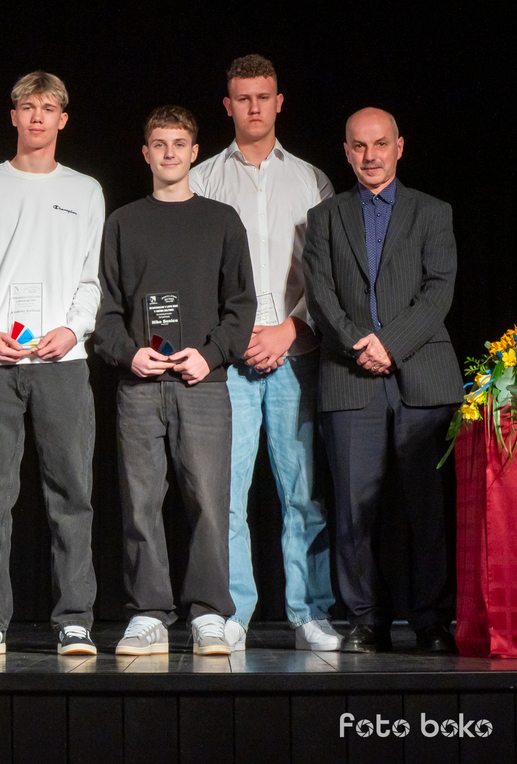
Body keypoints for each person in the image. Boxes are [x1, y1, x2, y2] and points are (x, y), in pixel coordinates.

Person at [188, 55, 340, 652]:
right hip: (230, 360)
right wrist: (238, 336)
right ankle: (231, 612)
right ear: (227, 106)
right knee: (224, 495)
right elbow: (197, 275)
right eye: (243, 98)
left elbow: (328, 276)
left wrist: (289, 330)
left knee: (302, 492)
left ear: (279, 102)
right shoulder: (203, 178)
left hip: (296, 355)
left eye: (264, 96)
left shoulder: (312, 180)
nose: (254, 107)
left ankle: (309, 613)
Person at [0, 71, 104, 656]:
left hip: (63, 359)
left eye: (48, 107)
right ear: (13, 115)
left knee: (72, 493)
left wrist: (72, 328)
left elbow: (92, 278)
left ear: (63, 118)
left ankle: (75, 619)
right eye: (27, 106)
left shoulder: (85, 189)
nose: (37, 116)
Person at [94, 105, 255, 656]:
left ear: (194, 152)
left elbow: (241, 305)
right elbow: (106, 311)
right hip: (140, 385)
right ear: (146, 153)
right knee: (140, 504)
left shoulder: (221, 220)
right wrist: (128, 354)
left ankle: (209, 614)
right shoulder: (122, 223)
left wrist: (209, 356)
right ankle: (148, 615)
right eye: (159, 144)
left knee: (209, 501)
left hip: (202, 384)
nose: (169, 153)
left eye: (179, 144)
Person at [302, 108, 460, 654]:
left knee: (426, 509)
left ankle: (432, 620)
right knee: (353, 509)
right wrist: (358, 344)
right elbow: (320, 294)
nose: (370, 156)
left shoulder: (433, 212)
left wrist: (390, 344)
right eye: (359, 146)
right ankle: (366, 620)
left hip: (423, 377)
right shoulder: (324, 217)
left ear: (399, 146)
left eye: (380, 144)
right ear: (346, 152)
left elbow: (439, 290)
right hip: (350, 376)